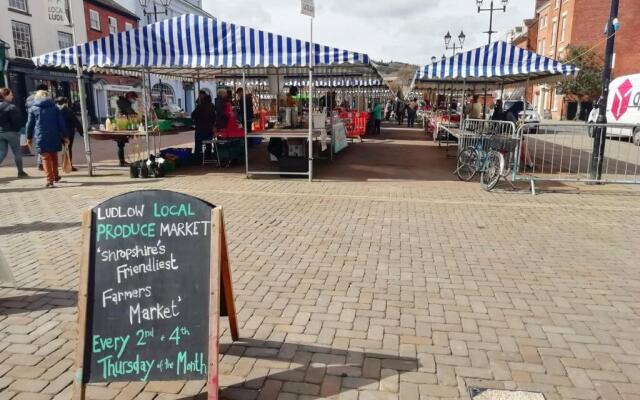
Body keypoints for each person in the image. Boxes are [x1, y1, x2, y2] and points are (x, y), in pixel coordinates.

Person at [26, 90, 67, 188]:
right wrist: (65, 135)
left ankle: (50, 180)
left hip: (41, 135)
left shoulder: (33, 108)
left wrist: (29, 137)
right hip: (54, 134)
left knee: (45, 157)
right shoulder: (55, 108)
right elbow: (61, 123)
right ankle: (56, 176)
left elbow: (30, 124)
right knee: (53, 155)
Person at [0, 88, 28, 178]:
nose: (12, 96)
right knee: (17, 152)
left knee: (2, 152)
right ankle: (20, 172)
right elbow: (17, 122)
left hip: (0, 132)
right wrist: (17, 130)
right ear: (5, 95)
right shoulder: (11, 107)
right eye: (11, 95)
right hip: (11, 132)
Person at [56, 97, 83, 171]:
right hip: (69, 133)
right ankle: (68, 165)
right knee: (68, 149)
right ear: (66, 103)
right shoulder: (68, 111)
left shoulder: (56, 111)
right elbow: (76, 122)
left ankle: (64, 164)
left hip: (59, 133)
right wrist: (82, 132)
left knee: (64, 149)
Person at [115, 91, 138, 166]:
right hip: (121, 125)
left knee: (121, 144)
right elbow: (130, 112)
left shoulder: (124, 102)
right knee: (120, 144)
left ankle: (122, 161)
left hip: (121, 123)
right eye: (134, 98)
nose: (134, 100)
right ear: (130, 97)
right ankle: (121, 162)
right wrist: (137, 115)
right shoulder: (124, 103)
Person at [191, 94, 215, 159]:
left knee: (198, 144)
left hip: (200, 128)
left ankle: (198, 158)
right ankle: (208, 156)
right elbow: (214, 117)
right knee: (208, 143)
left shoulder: (200, 106)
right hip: (209, 128)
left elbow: (193, 115)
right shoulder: (212, 106)